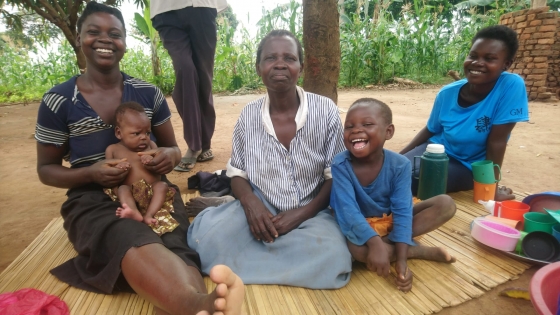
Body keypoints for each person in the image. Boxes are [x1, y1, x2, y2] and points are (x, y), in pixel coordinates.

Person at [34, 3, 243, 314]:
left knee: (175, 242)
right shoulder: (59, 100)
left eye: (115, 34)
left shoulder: (148, 93)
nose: (105, 40)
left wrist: (165, 158)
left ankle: (193, 306)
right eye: (94, 32)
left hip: (153, 191)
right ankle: (202, 305)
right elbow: (46, 170)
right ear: (78, 38)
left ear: (125, 43)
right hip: (92, 198)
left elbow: (173, 148)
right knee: (126, 233)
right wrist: (92, 174)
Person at [187, 30, 352, 289]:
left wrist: (300, 215)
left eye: (289, 57)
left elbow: (336, 176)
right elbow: (237, 174)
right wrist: (252, 204)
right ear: (259, 68)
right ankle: (283, 260)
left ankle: (240, 262)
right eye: (270, 58)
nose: (280, 64)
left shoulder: (325, 110)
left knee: (334, 255)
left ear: (301, 66)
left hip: (314, 209)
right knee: (207, 240)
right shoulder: (248, 116)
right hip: (261, 209)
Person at [330, 98, 457, 292]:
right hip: (358, 225)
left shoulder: (400, 164)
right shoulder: (341, 164)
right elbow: (348, 212)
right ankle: (417, 250)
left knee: (445, 203)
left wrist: (402, 262)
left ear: (388, 131)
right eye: (349, 126)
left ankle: (396, 248)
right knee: (356, 250)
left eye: (367, 124)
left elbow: (403, 211)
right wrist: (374, 243)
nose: (356, 130)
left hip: (389, 220)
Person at [400, 25, 529, 201]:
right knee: (392, 171)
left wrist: (491, 189)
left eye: (490, 58)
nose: (477, 63)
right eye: (473, 56)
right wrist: (398, 157)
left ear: (506, 64)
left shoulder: (510, 86)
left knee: (414, 181)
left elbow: (497, 141)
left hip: (470, 166)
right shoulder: (447, 93)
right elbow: (430, 130)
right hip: (437, 150)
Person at [150, 0, 228, 172]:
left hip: (202, 6)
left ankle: (205, 144)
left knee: (204, 78)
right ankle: (194, 144)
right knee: (184, 69)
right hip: (166, 10)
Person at [105, 102, 179, 236]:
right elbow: (108, 169)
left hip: (152, 192)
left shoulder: (151, 145)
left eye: (147, 132)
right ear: (118, 132)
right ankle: (133, 211)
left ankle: (149, 215)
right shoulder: (113, 149)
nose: (144, 137)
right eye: (136, 133)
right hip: (130, 192)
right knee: (122, 189)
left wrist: (151, 161)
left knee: (162, 185)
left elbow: (158, 164)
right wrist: (118, 167)